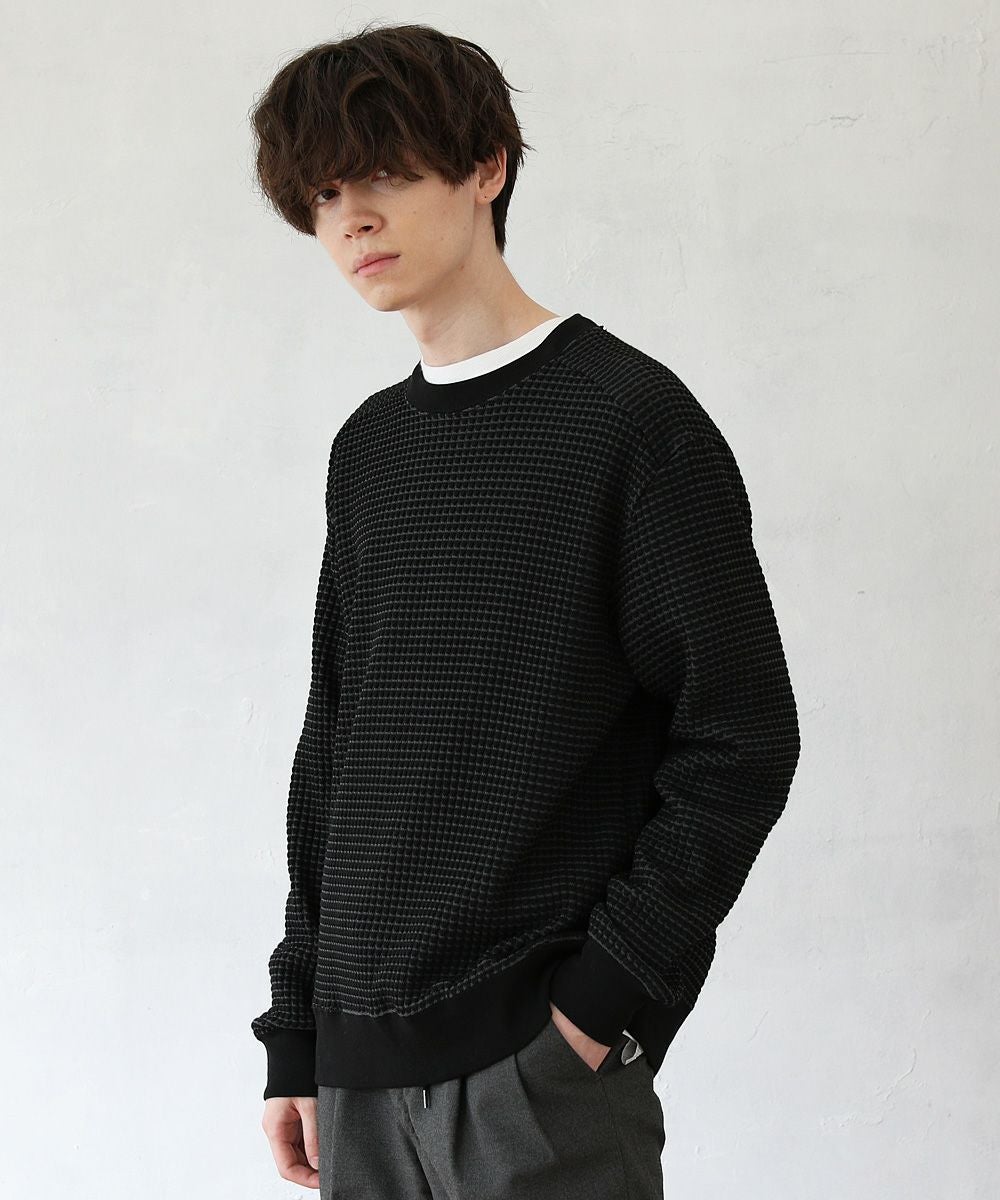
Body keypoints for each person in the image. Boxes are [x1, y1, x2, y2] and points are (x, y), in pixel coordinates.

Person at [247, 21, 801, 1200]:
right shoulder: (370, 452)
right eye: (325, 191)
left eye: (383, 173)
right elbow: (335, 750)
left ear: (485, 165)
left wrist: (602, 1003)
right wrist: (298, 1029)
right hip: (355, 1075)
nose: (352, 219)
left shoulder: (628, 424)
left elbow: (741, 736)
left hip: (534, 1080)